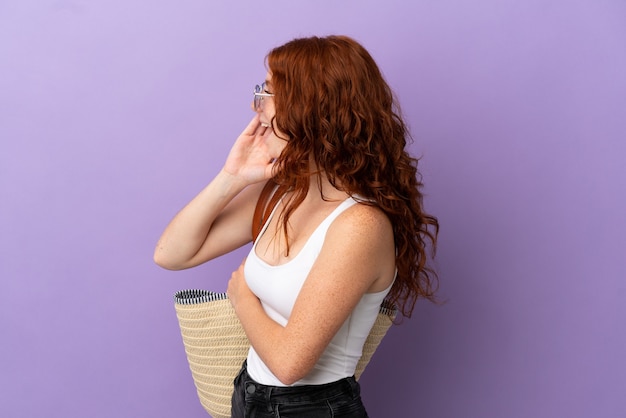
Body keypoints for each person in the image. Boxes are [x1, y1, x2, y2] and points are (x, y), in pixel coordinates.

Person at [154, 35, 438, 418]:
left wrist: (241, 297)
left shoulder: (360, 225)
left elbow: (290, 364)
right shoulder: (281, 193)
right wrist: (232, 176)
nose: (256, 107)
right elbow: (171, 254)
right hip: (248, 397)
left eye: (267, 93)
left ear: (310, 110)